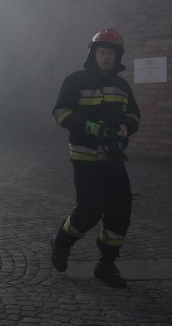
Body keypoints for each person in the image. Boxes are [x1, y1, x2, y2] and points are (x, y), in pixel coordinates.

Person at [50, 28, 141, 288]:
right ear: (93, 54)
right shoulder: (75, 80)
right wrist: (86, 126)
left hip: (113, 158)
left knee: (120, 212)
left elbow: (134, 115)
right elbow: (59, 112)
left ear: (116, 57)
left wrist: (126, 127)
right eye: (102, 52)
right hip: (85, 156)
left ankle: (106, 264)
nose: (106, 57)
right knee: (89, 210)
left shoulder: (122, 86)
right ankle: (62, 242)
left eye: (110, 53)